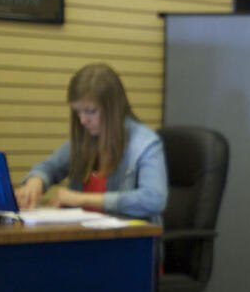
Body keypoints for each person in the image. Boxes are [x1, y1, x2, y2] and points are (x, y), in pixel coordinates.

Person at [15, 63, 168, 222]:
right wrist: (35, 182)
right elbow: (49, 167)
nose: (82, 120)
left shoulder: (145, 143)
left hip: (127, 240)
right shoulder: (87, 137)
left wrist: (80, 199)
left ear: (113, 109)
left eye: (90, 111)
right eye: (77, 112)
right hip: (83, 236)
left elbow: (153, 200)